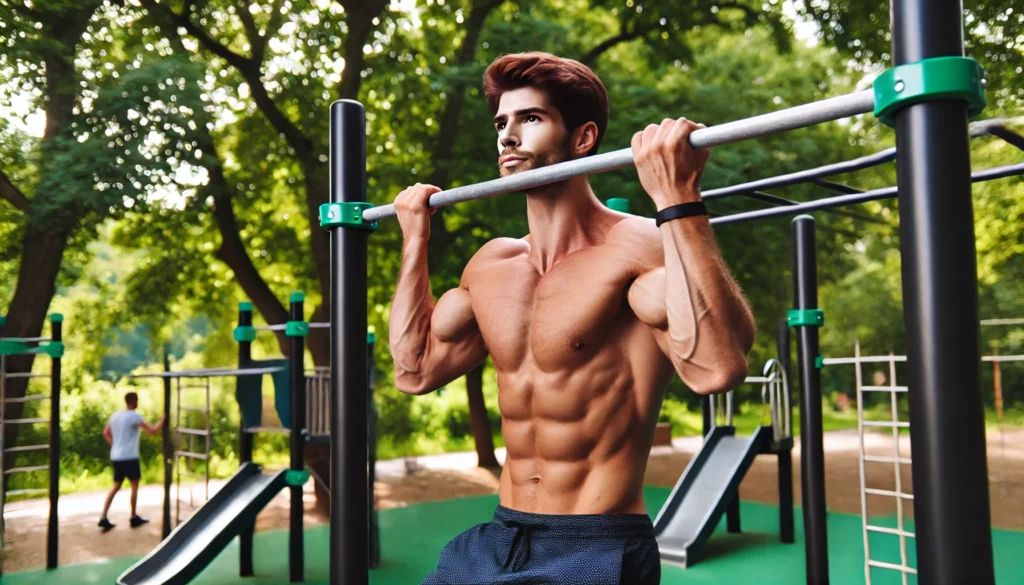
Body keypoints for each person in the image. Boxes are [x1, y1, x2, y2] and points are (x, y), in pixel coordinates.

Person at [389, 52, 756, 584]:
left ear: (582, 139)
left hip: (594, 545)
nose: (507, 137)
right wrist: (414, 242)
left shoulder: (637, 249)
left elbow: (718, 367)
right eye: (501, 123)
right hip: (500, 535)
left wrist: (678, 198)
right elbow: (414, 370)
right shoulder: (493, 265)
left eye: (530, 119)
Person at [98, 392, 165, 532]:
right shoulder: (134, 416)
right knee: (134, 485)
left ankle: (103, 516)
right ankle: (133, 516)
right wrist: (163, 420)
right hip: (129, 456)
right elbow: (152, 431)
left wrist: (115, 445)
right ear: (133, 401)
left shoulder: (115, 415)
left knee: (116, 486)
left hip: (116, 456)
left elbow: (105, 433)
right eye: (137, 400)